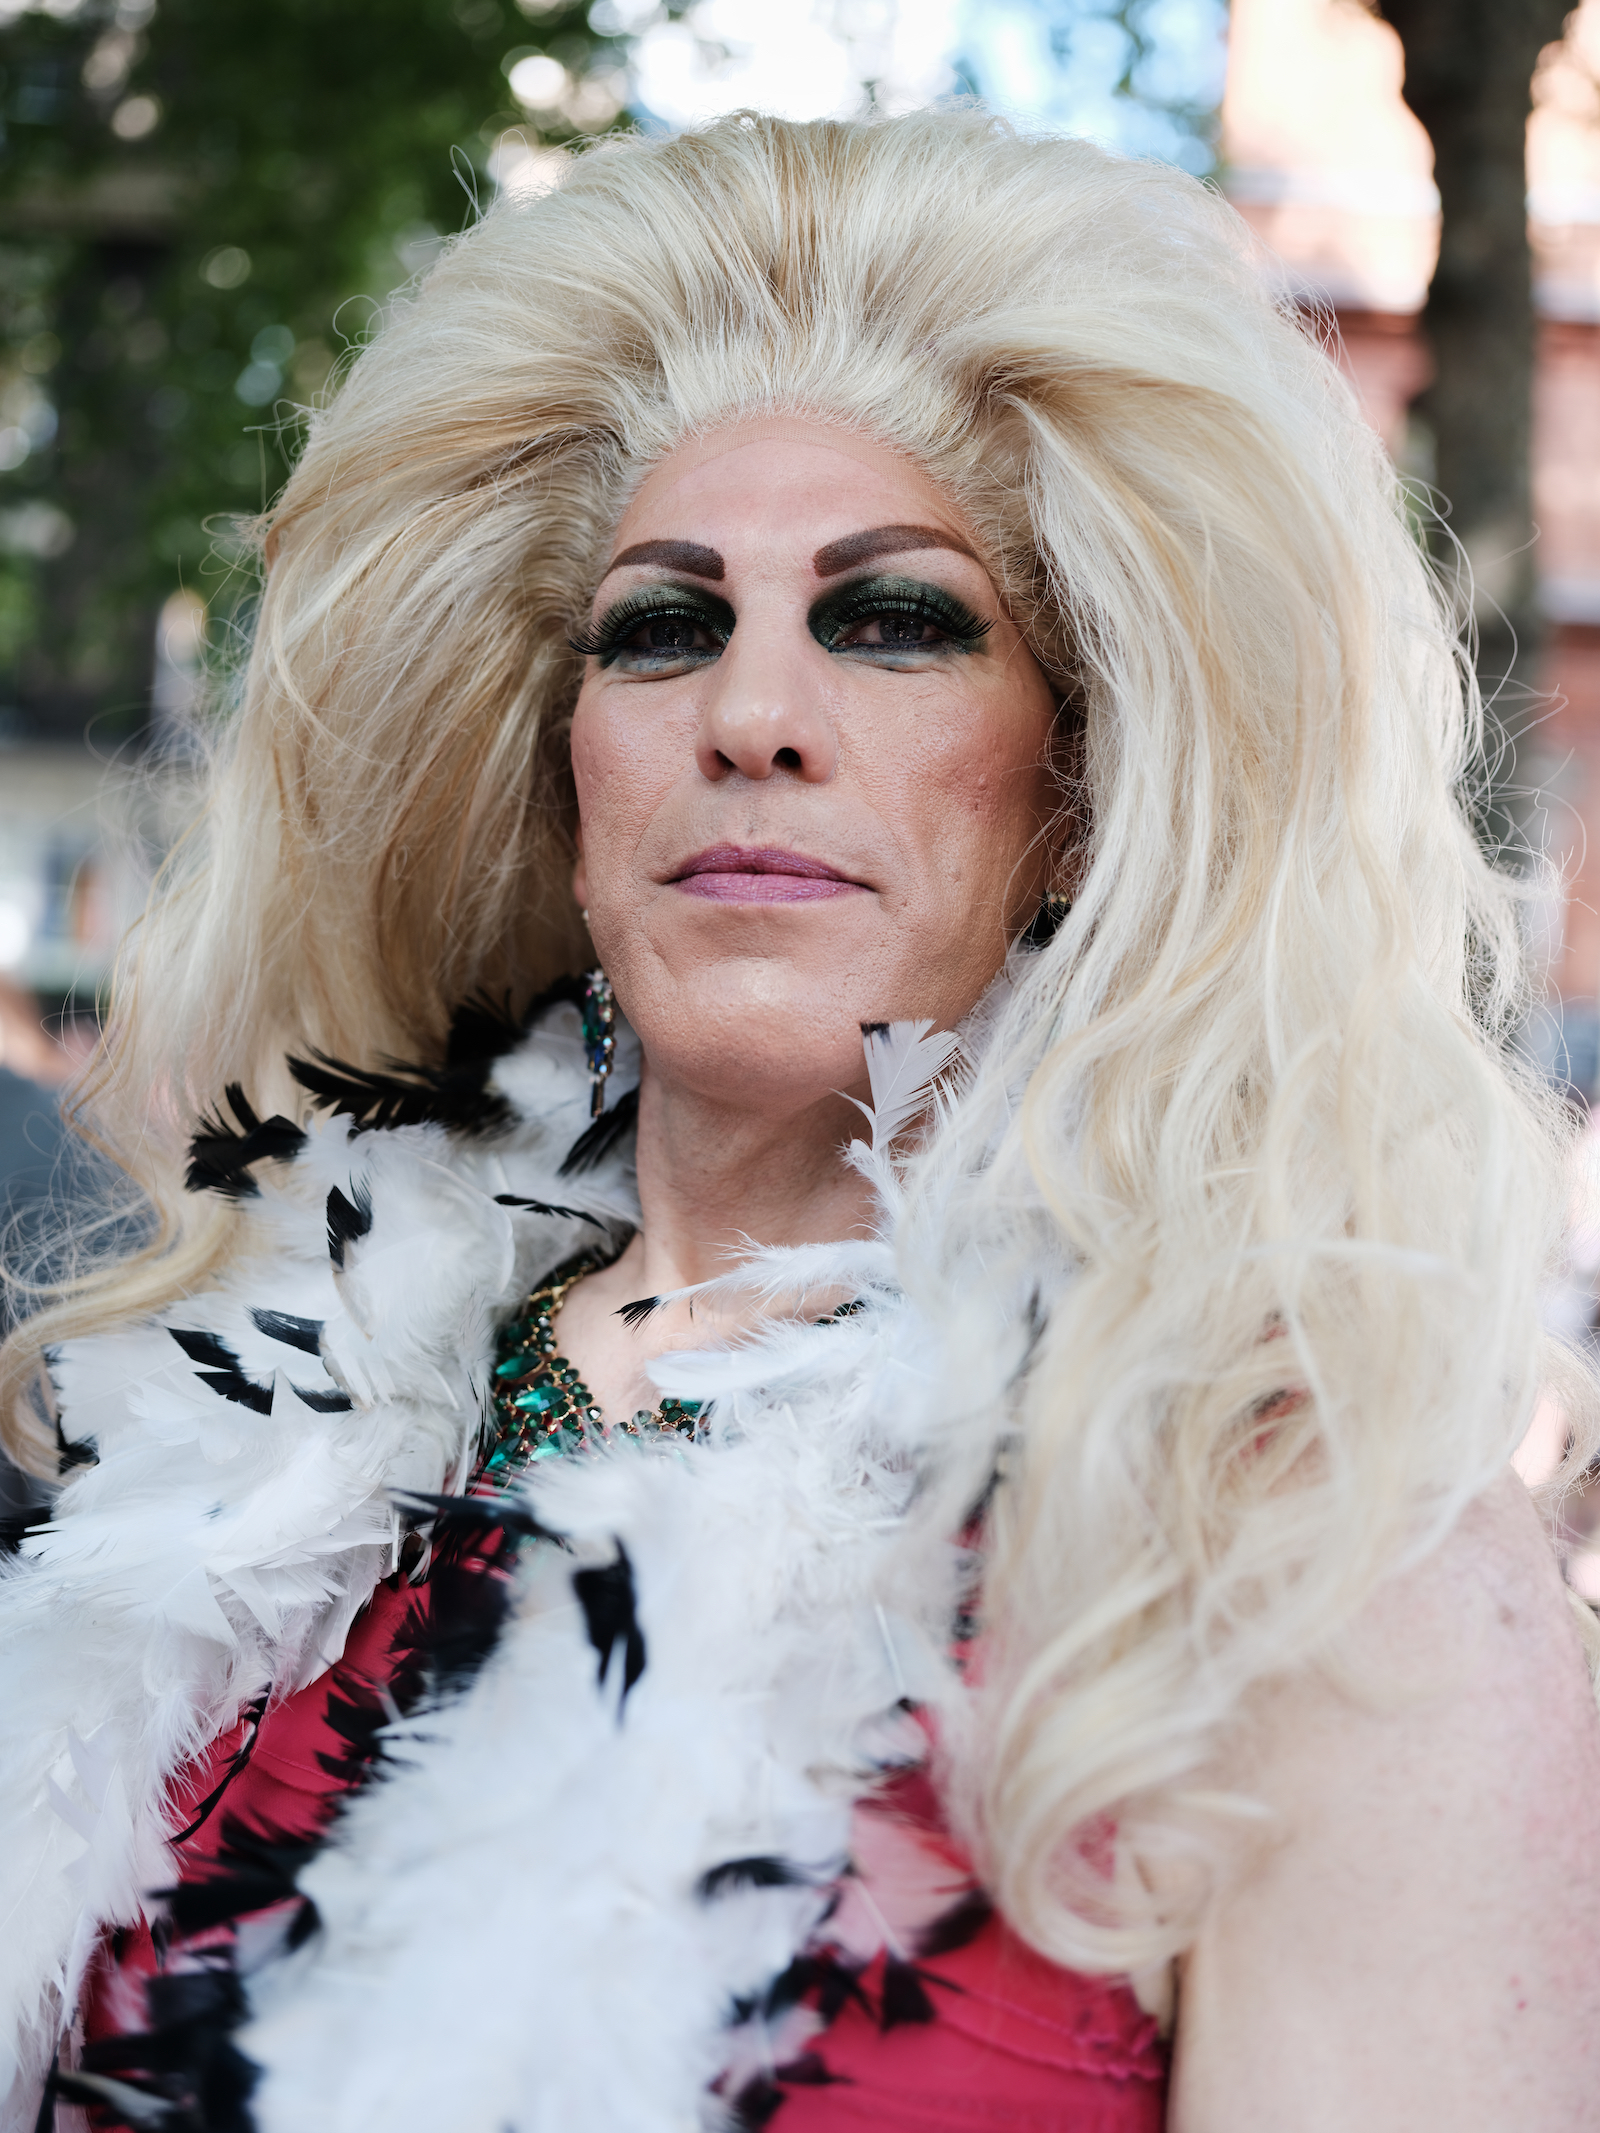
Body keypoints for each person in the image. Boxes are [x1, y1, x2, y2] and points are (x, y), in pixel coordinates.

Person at [2, 108, 1599, 2133]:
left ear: (1073, 788)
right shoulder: (244, 1454)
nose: (748, 712)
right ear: (561, 782)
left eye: (894, 618)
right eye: (660, 625)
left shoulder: (1293, 1539)